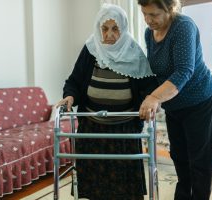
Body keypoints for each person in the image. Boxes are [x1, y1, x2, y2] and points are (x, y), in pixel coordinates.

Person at [56, 3, 156, 200]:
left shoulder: (133, 51)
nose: (110, 34)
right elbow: (74, 81)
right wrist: (70, 96)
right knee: (96, 188)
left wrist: (149, 101)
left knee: (125, 188)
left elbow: (149, 86)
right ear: (98, 28)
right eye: (105, 28)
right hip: (92, 129)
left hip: (124, 130)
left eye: (115, 28)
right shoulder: (90, 49)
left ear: (124, 28)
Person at [137, 0, 212, 200]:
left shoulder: (183, 26)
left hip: (200, 102)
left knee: (199, 160)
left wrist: (155, 97)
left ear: (170, 9)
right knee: (179, 158)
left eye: (154, 15)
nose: (148, 20)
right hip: (174, 106)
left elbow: (183, 71)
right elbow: (155, 72)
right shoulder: (149, 33)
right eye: (144, 14)